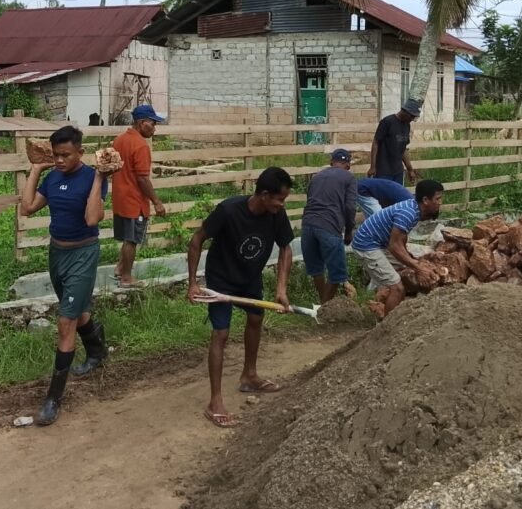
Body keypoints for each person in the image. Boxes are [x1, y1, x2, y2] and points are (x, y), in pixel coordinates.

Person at [187, 167, 295, 429]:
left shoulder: (276, 215)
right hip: (221, 279)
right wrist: (192, 284)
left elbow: (286, 248)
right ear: (265, 195)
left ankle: (249, 375)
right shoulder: (229, 211)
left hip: (249, 277)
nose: (282, 205)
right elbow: (196, 240)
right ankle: (215, 401)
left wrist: (281, 289)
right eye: (280, 199)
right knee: (221, 334)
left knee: (256, 318)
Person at [21, 125, 110, 426]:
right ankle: (97, 351)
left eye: (66, 155)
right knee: (78, 311)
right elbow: (28, 207)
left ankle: (52, 399)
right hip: (57, 253)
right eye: (56, 155)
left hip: (83, 253)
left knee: (65, 321)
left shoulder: (91, 177)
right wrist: (36, 169)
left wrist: (100, 177)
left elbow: (91, 218)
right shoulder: (53, 176)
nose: (59, 161)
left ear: (80, 153)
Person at [350, 180, 444, 316]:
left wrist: (410, 259)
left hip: (379, 243)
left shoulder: (415, 210)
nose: (440, 202)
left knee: (404, 268)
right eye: (438, 198)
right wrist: (418, 267)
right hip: (367, 245)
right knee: (398, 288)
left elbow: (401, 237)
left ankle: (387, 302)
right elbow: (394, 245)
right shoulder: (408, 213)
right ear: (425, 200)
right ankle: (386, 329)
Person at [112, 105, 167, 286]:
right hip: (134, 201)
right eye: (152, 123)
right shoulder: (141, 146)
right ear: (142, 123)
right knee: (132, 240)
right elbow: (143, 179)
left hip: (120, 198)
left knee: (128, 237)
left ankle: (120, 268)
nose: (154, 128)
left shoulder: (119, 140)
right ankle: (127, 277)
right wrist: (157, 202)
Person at [300, 149, 358, 303]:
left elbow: (309, 198)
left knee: (316, 269)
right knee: (337, 272)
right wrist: (349, 231)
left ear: (331, 162)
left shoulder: (316, 177)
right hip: (329, 225)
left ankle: (323, 304)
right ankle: (325, 309)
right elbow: (350, 207)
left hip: (307, 225)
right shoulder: (349, 177)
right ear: (348, 165)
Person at [368, 99, 422, 185]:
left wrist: (410, 169)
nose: (412, 119)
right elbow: (376, 143)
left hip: (398, 171)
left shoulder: (407, 125)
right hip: (383, 171)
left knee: (398, 196)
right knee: (384, 197)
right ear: (405, 112)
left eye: (414, 117)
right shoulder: (387, 122)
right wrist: (373, 167)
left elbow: (403, 149)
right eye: (411, 116)